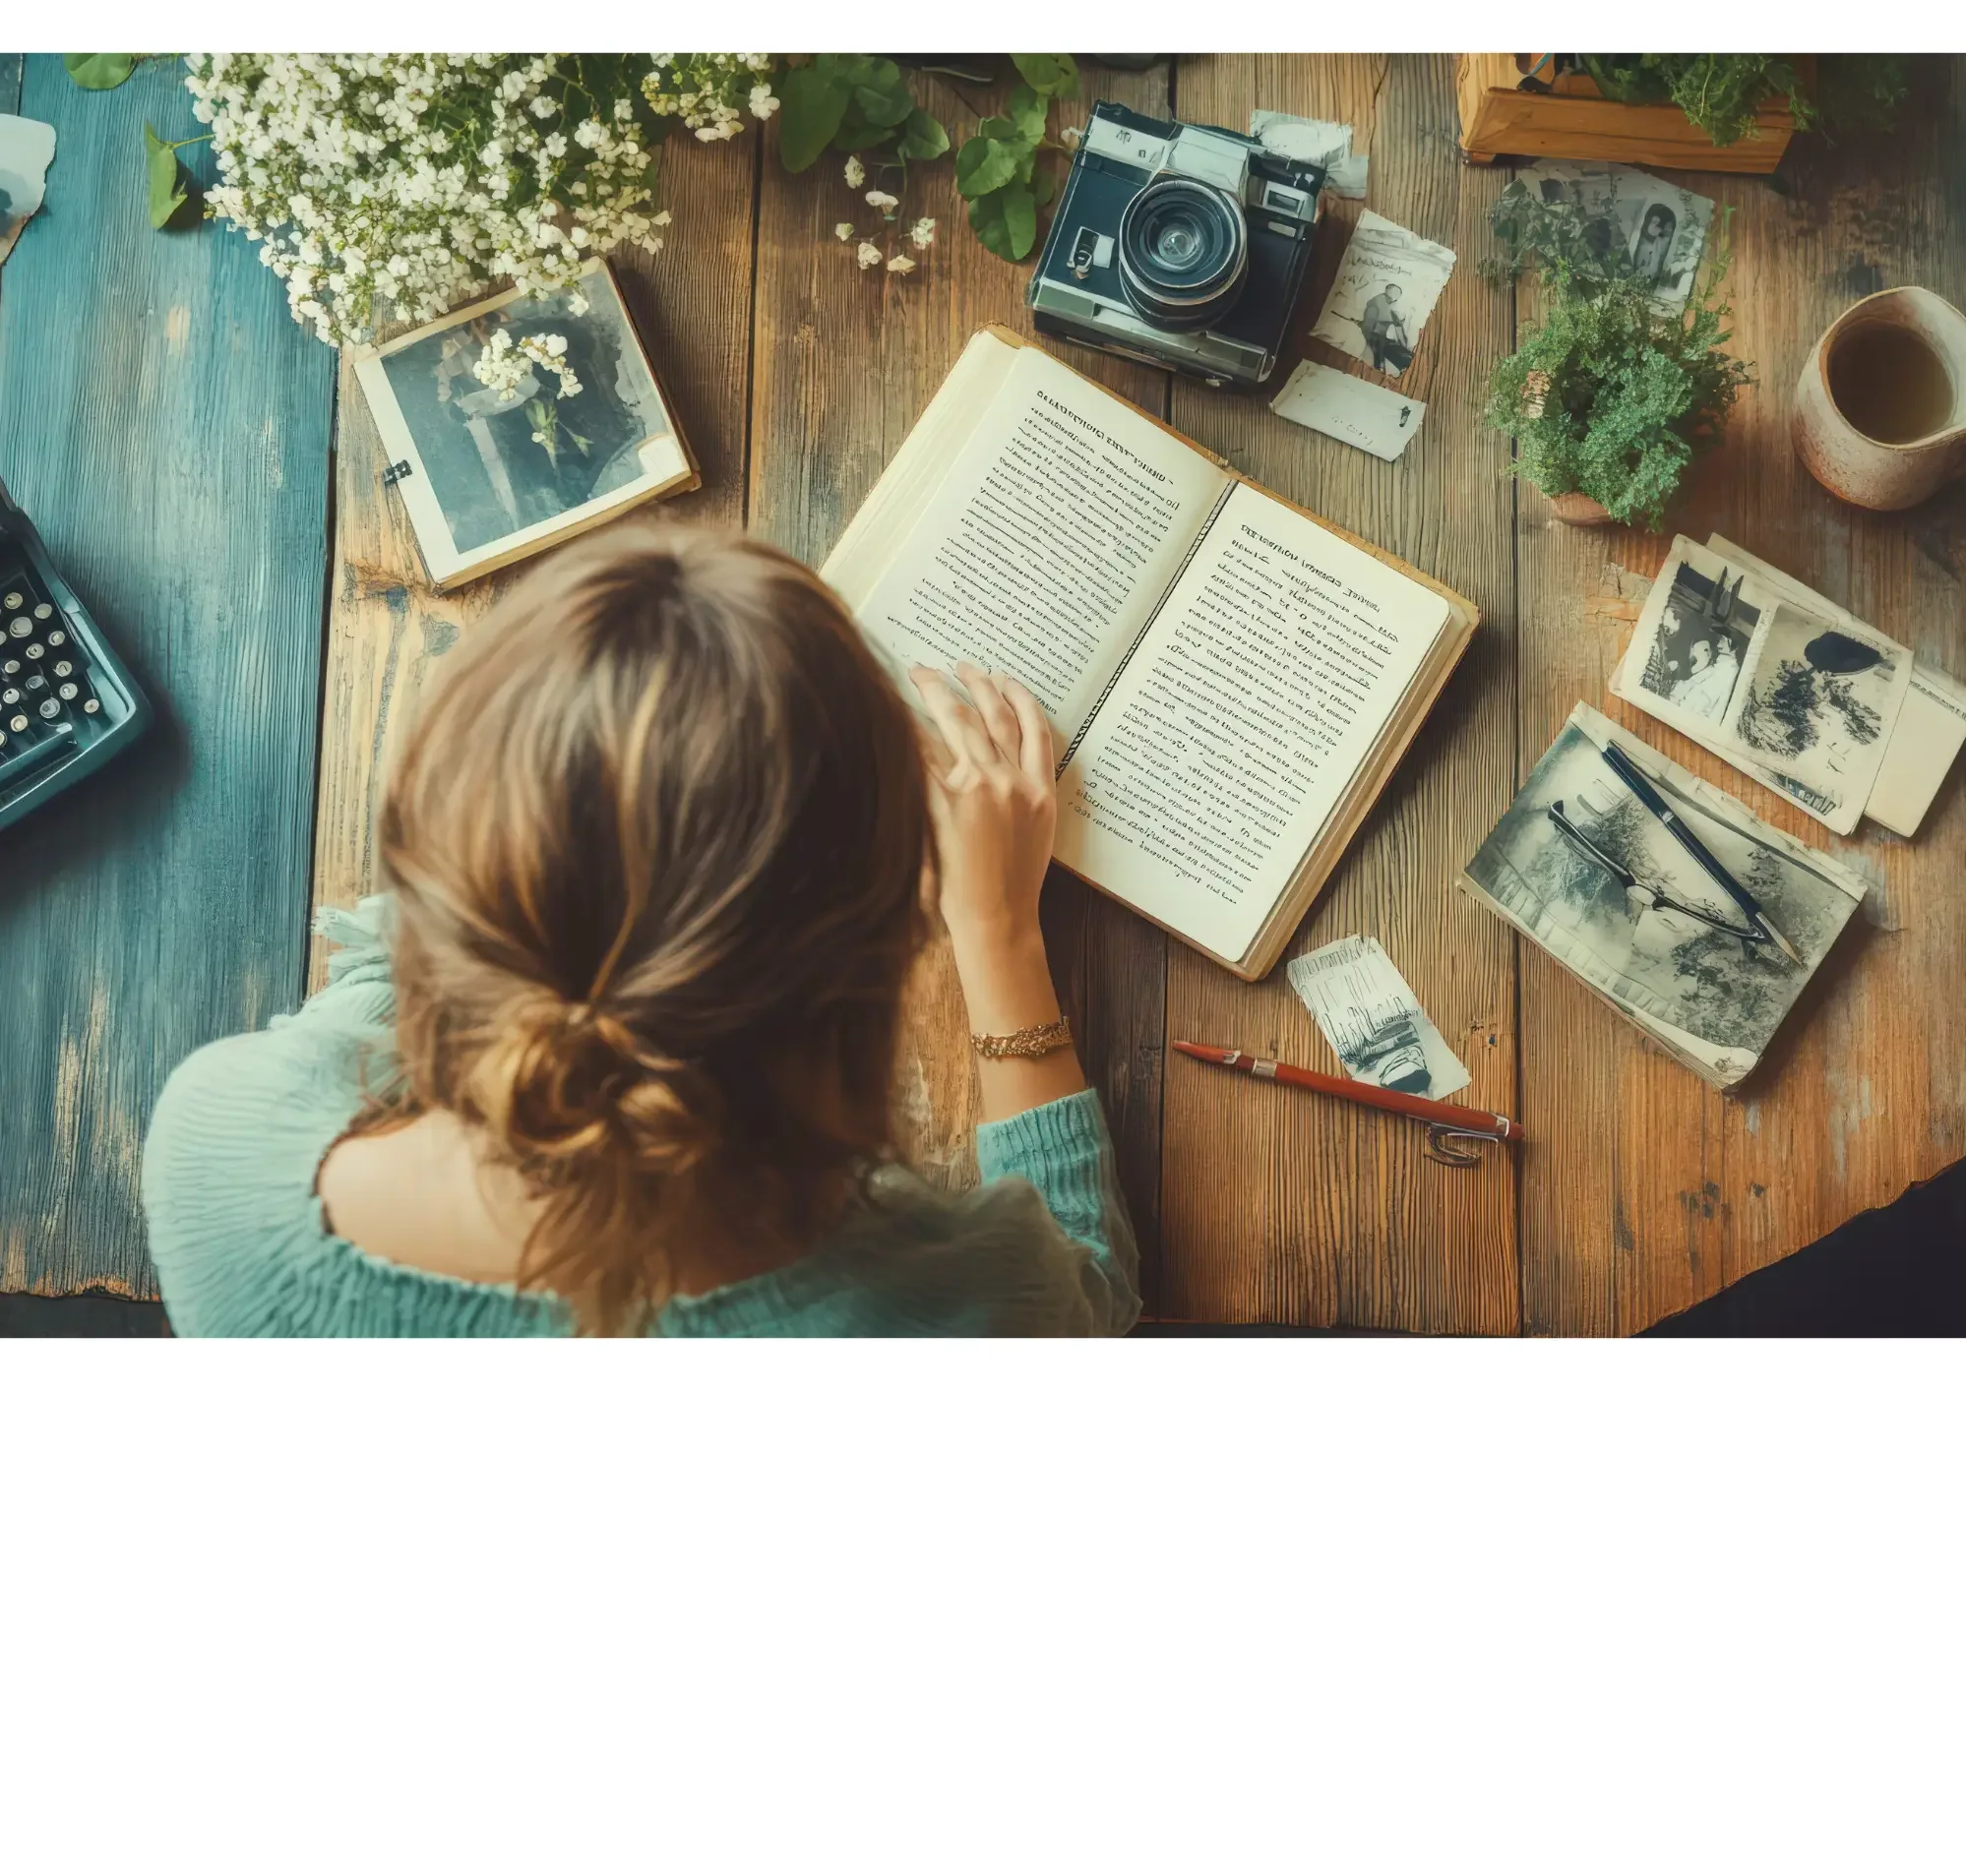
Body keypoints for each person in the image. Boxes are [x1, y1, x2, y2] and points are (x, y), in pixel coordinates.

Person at [141, 527, 1139, 1336]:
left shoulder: (218, 1145)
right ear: (884, 941)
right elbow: (1085, 1289)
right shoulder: (959, 1311)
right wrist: (999, 933)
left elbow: (388, 972)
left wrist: (550, 819)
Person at [1670, 631, 1740, 722]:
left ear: (1733, 645)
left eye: (1723, 640)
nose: (1719, 643)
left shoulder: (1729, 671)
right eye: (1719, 639)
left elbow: (1717, 706)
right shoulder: (1715, 665)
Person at [1359, 281, 1413, 373]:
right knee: (1381, 351)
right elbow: (1367, 327)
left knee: (1400, 351)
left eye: (1394, 300)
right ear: (1386, 295)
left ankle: (1404, 365)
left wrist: (1404, 347)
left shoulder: (1391, 308)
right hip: (1373, 336)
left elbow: (1399, 329)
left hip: (1382, 338)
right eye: (1390, 299)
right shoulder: (1375, 304)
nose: (1392, 301)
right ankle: (1380, 370)